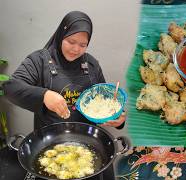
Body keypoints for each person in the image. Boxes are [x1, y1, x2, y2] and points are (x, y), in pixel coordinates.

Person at [3, 11, 125, 179]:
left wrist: (117, 118)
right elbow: (10, 87)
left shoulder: (91, 65)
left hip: (89, 145)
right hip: (50, 145)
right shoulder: (39, 61)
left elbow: (105, 102)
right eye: (71, 41)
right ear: (61, 35)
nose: (76, 49)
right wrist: (44, 95)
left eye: (83, 45)